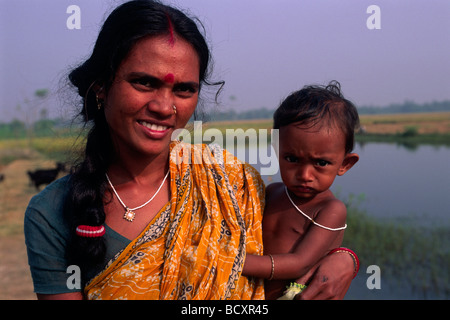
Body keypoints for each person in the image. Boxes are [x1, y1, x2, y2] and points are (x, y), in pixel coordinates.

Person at [24, 0, 356, 300]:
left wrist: (346, 259)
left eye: (184, 89)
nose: (164, 106)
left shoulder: (233, 182)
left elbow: (299, 234)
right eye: (144, 82)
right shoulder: (52, 213)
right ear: (101, 88)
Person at [242, 81, 360, 299]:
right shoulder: (273, 191)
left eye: (321, 163)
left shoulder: (330, 209)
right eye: (292, 159)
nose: (305, 175)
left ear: (345, 164)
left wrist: (233, 261)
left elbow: (298, 264)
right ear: (277, 152)